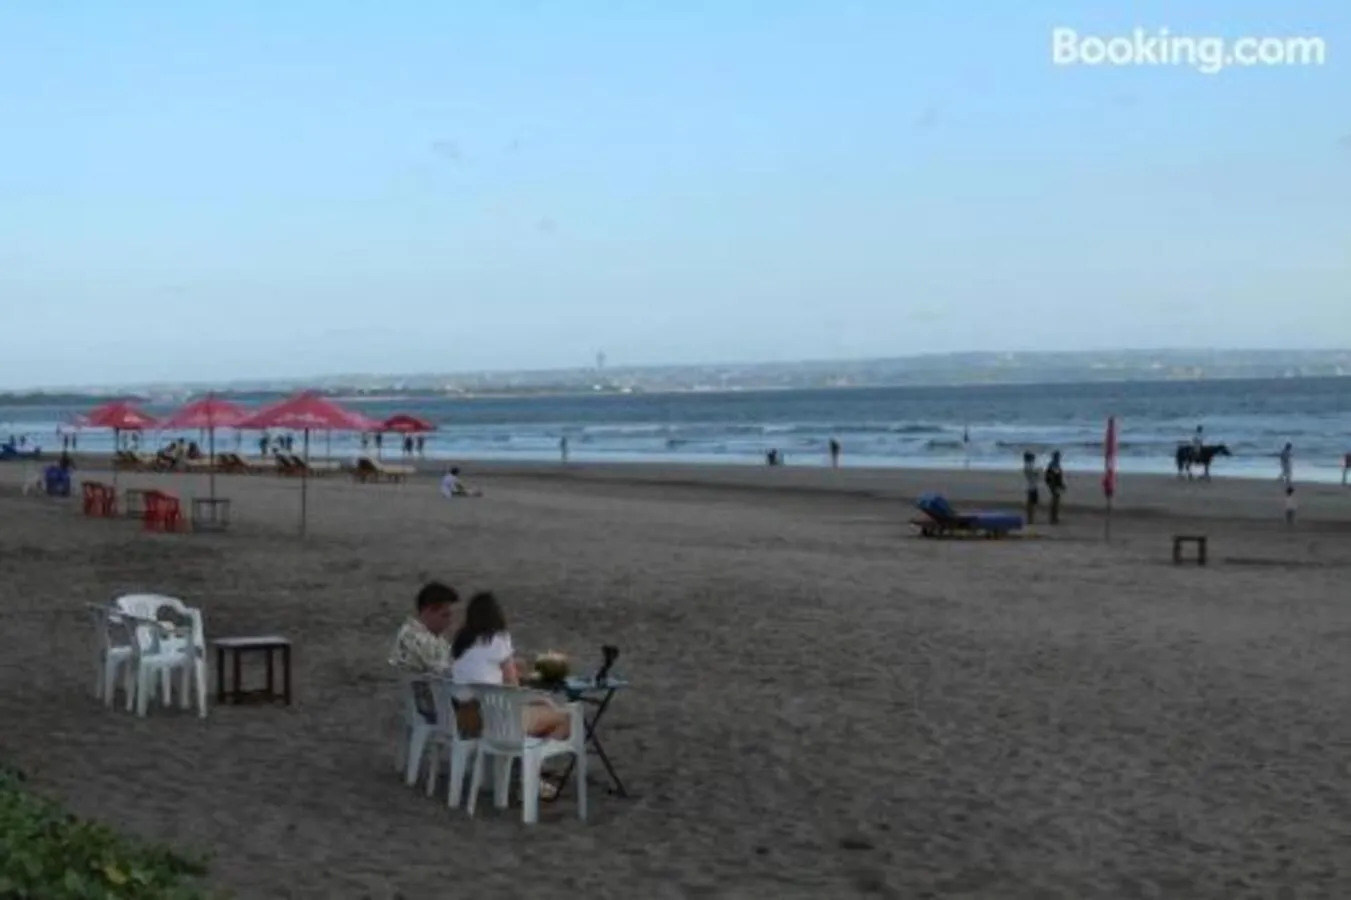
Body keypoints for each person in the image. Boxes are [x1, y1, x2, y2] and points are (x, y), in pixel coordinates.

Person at [389, 581, 461, 674]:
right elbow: (444, 673)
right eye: (445, 615)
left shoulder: (415, 633)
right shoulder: (419, 638)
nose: (449, 621)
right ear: (429, 611)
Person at [1044, 450, 1066, 524]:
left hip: (1054, 484)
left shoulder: (1054, 464)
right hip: (1054, 485)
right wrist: (1059, 485)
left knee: (1055, 500)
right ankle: (1053, 518)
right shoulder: (1053, 464)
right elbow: (1055, 476)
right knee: (1055, 500)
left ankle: (1054, 517)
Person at [1022, 451, 1041, 525]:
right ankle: (1030, 519)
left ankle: (1030, 518)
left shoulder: (1029, 465)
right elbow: (1034, 474)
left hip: (1032, 485)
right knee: (1031, 503)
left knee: (1032, 502)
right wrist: (1037, 473)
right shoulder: (1029, 466)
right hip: (1031, 486)